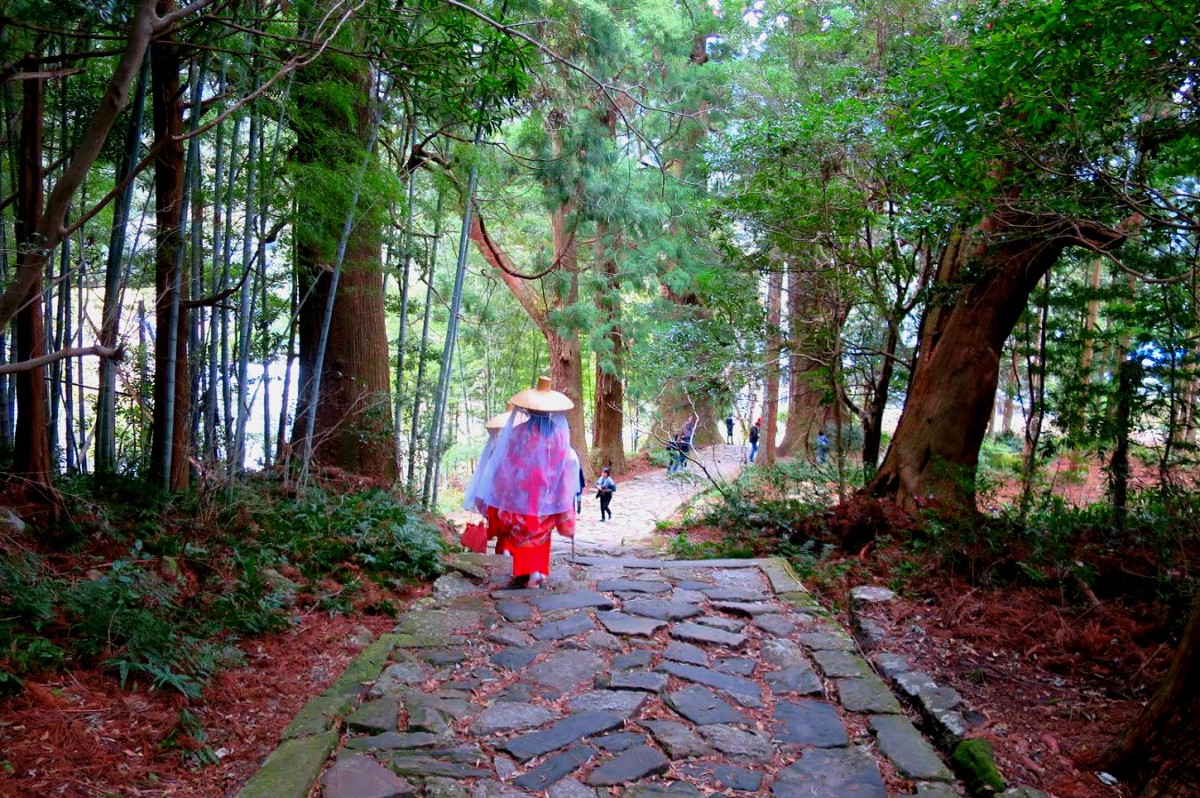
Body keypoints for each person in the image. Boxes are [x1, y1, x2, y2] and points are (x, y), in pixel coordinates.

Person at [464, 377, 578, 589]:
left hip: (521, 494)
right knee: (540, 536)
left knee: (522, 533)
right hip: (548, 494)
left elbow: (507, 464)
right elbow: (565, 462)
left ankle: (528, 571)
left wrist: (503, 488)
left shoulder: (518, 432)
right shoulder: (560, 435)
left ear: (529, 409)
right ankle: (535, 572)